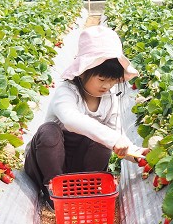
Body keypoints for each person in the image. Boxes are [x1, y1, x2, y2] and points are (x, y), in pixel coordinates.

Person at [24, 25, 145, 209]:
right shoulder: (67, 92)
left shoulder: (109, 99)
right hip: (48, 164)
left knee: (102, 140)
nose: (107, 86)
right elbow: (71, 120)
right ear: (82, 71)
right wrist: (113, 139)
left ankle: (84, 191)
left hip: (81, 168)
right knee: (49, 132)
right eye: (102, 79)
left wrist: (137, 154)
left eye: (112, 80)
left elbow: (118, 135)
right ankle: (54, 193)